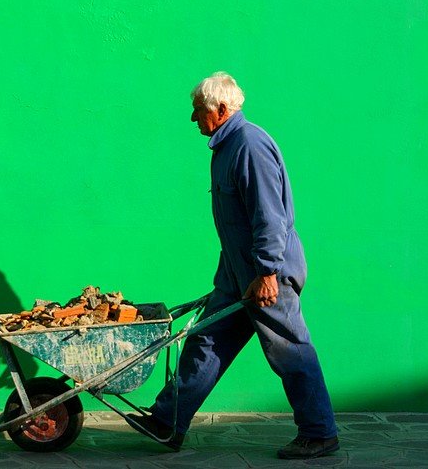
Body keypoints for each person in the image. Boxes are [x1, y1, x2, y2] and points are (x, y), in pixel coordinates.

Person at [128, 72, 339, 460]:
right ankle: (167, 421)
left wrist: (267, 272)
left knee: (289, 349)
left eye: (198, 110)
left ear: (221, 109)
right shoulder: (225, 148)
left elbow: (269, 217)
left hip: (265, 274)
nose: (194, 118)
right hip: (238, 273)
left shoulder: (249, 145)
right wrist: (233, 272)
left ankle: (319, 432)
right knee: (207, 341)